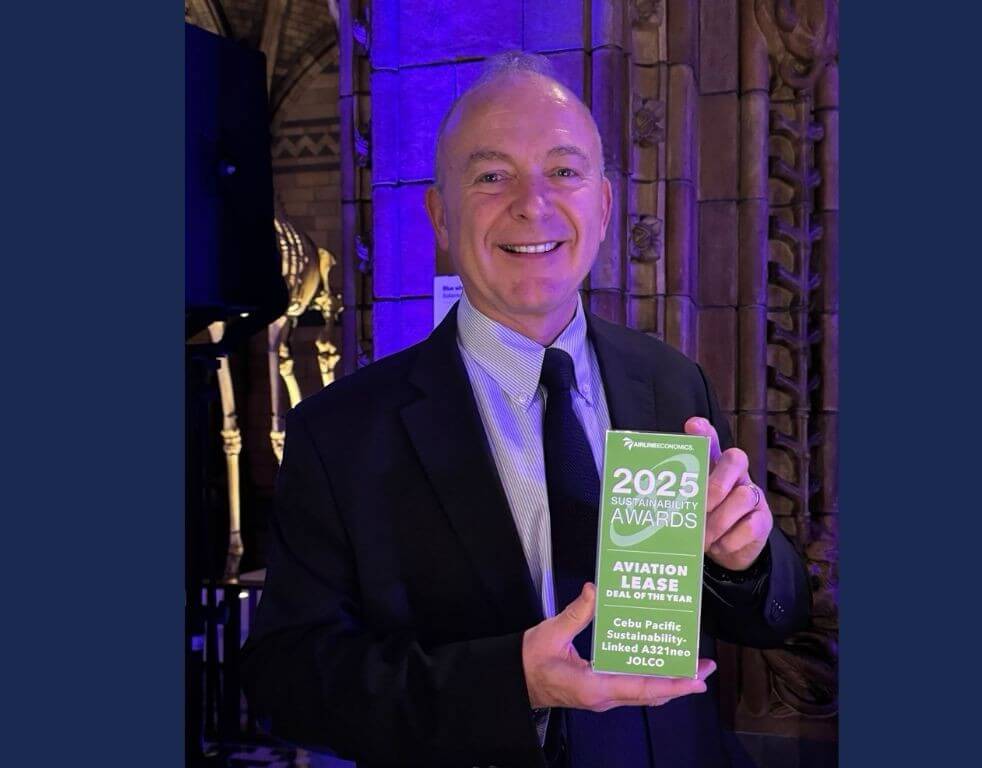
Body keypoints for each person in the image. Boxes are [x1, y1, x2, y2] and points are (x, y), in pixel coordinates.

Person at [241, 51, 810, 768]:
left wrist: (747, 556)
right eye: (491, 175)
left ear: (602, 207)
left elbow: (767, 611)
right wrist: (508, 685)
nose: (533, 203)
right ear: (440, 214)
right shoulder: (341, 432)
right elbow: (287, 681)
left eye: (565, 171)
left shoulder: (671, 384)